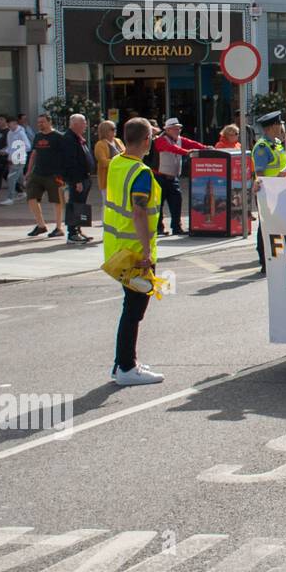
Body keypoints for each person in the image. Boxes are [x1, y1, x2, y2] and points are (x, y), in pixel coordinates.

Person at [105, 118, 166, 386]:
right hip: (135, 253)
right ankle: (127, 368)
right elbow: (138, 210)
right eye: (151, 137)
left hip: (117, 249)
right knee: (134, 310)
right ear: (145, 140)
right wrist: (145, 249)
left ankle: (122, 362)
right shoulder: (140, 172)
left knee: (130, 307)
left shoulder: (117, 163)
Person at [153, 118, 207, 235]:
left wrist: (205, 148)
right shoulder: (160, 140)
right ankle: (159, 228)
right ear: (167, 129)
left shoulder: (179, 139)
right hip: (160, 177)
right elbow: (172, 149)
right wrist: (187, 152)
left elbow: (192, 143)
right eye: (175, 128)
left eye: (179, 128)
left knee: (176, 203)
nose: (178, 131)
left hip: (173, 177)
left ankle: (177, 227)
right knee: (159, 205)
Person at [251, 111, 286, 276]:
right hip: (267, 191)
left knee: (277, 225)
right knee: (265, 226)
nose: (282, 127)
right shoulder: (262, 147)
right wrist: (278, 178)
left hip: (280, 191)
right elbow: (260, 174)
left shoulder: (278, 143)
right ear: (273, 126)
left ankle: (276, 256)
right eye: (279, 124)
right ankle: (265, 260)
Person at [23, 114, 67, 239]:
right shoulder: (38, 136)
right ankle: (41, 225)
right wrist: (28, 171)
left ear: (49, 122)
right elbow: (33, 154)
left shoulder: (58, 137)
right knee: (31, 197)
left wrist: (64, 174)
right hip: (38, 173)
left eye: (42, 122)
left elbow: (65, 156)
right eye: (38, 122)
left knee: (56, 200)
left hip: (54, 174)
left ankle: (59, 228)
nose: (40, 124)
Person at [60, 113, 96, 244]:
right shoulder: (69, 139)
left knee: (81, 205)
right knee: (75, 204)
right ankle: (72, 233)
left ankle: (79, 230)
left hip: (85, 176)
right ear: (75, 124)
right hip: (78, 178)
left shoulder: (78, 137)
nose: (85, 125)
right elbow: (71, 162)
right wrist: (77, 180)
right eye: (83, 123)